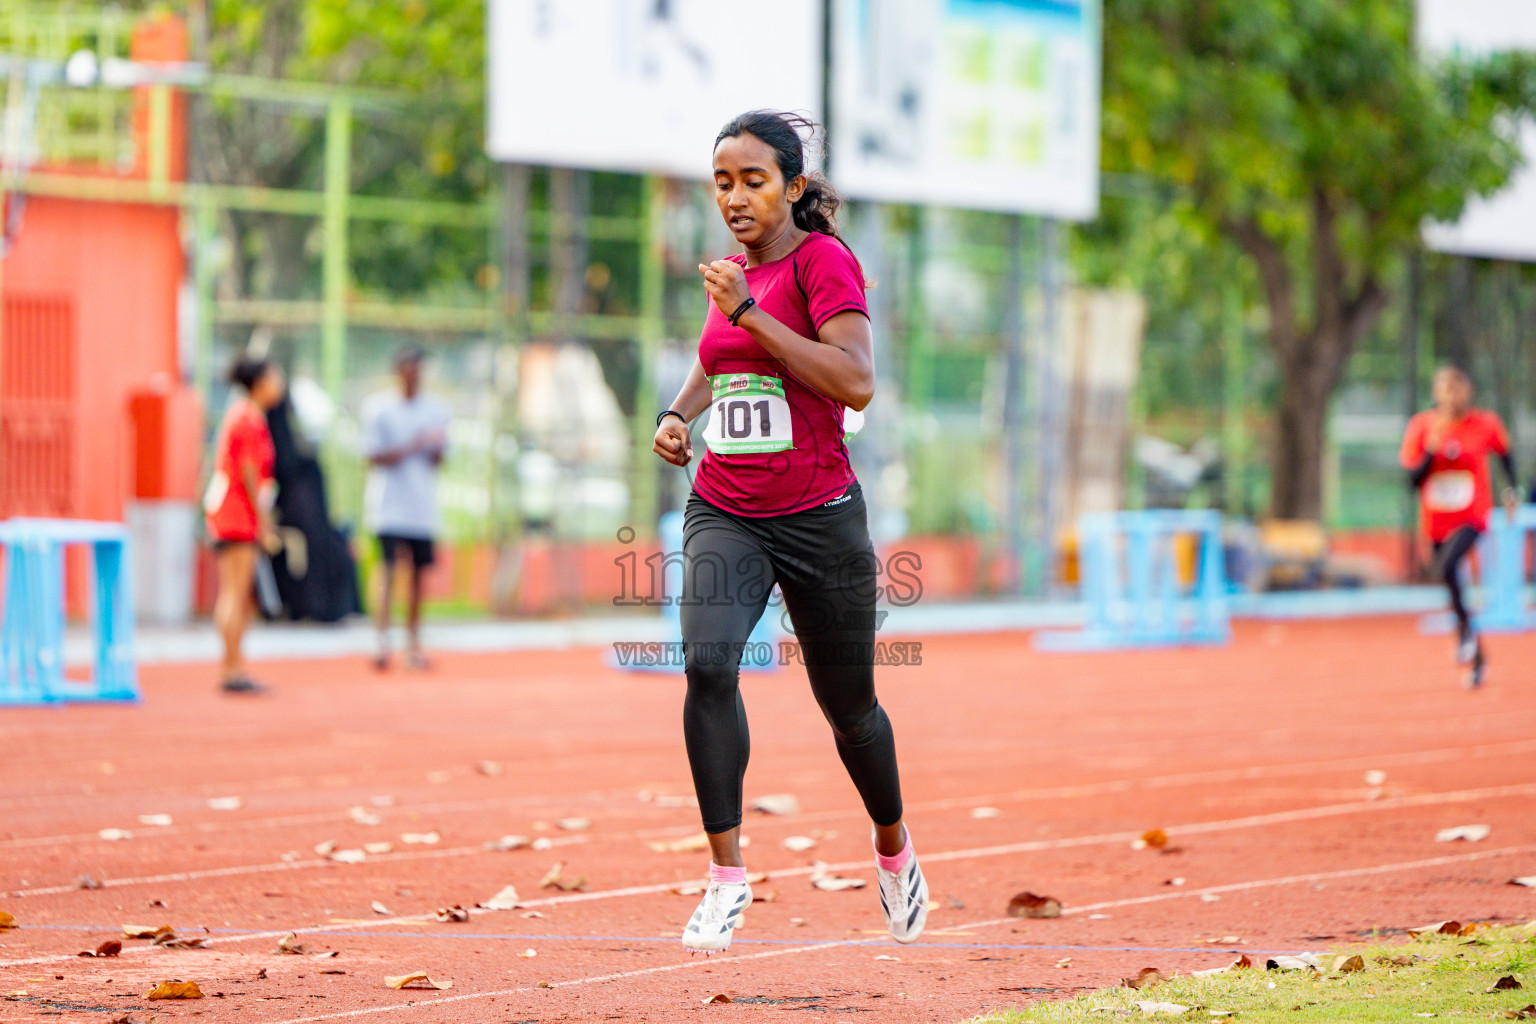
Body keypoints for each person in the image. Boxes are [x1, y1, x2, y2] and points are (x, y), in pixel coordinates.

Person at [652, 110, 926, 953]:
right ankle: (726, 878)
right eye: (723, 183)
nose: (734, 198)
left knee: (850, 711)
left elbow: (856, 382)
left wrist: (752, 316)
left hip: (818, 519)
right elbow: (716, 357)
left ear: (793, 187)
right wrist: (676, 413)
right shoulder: (732, 275)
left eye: (753, 181)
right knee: (705, 664)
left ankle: (893, 850)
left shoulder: (824, 263)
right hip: (727, 508)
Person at [1399, 365, 1519, 688]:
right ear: (1436, 393)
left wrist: (1511, 491)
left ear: (1469, 391)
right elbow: (1412, 482)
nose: (1454, 395)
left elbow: (1506, 457)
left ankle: (1465, 634)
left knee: (1447, 566)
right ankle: (1476, 653)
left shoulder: (1485, 423)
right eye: (1447, 388)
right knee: (1449, 581)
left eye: (1459, 388)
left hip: (1472, 515)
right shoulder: (1422, 427)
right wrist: (1430, 450)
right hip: (1437, 521)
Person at [361, 346, 451, 670]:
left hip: (421, 508)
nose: (414, 374)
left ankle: (412, 643)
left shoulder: (437, 410)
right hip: (388, 507)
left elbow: (442, 460)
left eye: (418, 368)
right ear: (397, 371)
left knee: (417, 577)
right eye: (408, 367)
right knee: (386, 570)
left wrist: (434, 447)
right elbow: (371, 456)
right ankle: (381, 640)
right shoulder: (379, 410)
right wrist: (412, 446)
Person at [204, 355, 284, 695]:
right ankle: (231, 667)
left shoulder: (240, 414)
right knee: (236, 593)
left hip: (231, 510)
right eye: (273, 377)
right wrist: (264, 524)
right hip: (238, 514)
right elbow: (251, 474)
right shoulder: (249, 419)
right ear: (260, 383)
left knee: (236, 593)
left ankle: (233, 664)